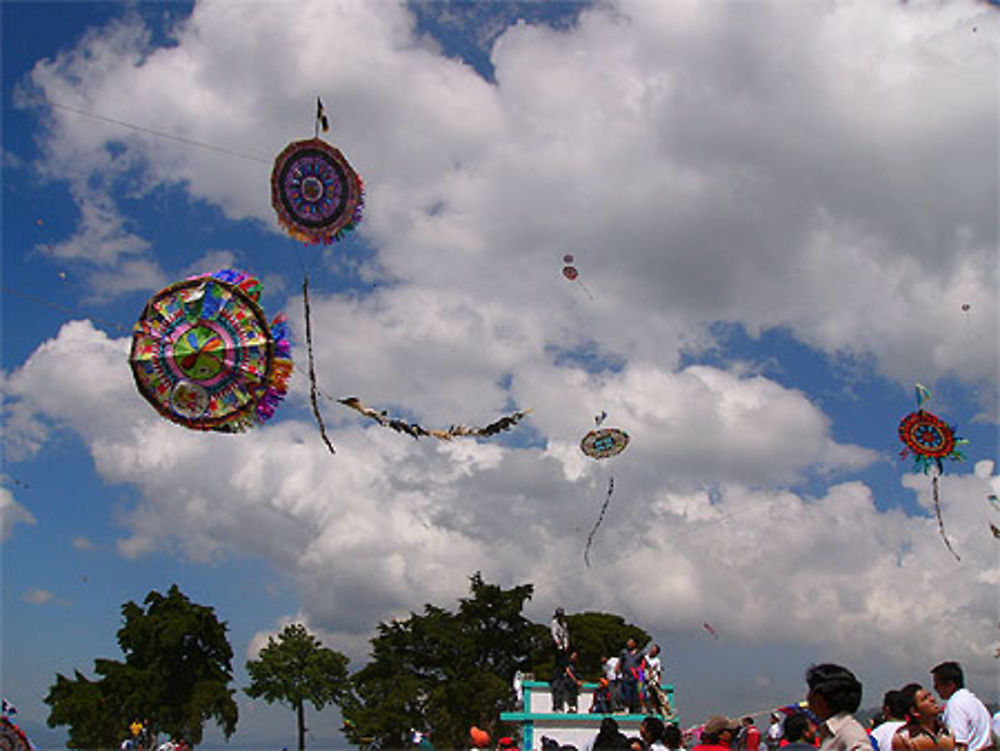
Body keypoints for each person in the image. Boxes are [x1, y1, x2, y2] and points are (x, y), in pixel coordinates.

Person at [805, 663, 873, 751]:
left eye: (811, 691)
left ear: (820, 698)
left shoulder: (849, 733)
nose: (808, 697)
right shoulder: (830, 732)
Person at [930, 662, 994, 751]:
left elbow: (959, 744)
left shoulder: (955, 705)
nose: (935, 688)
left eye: (937, 685)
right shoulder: (975, 702)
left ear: (950, 685)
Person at [892, 684, 954, 751]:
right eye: (925, 699)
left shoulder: (947, 733)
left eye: (930, 695)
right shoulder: (904, 738)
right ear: (914, 711)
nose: (932, 699)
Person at [619, 638, 644, 714]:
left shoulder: (640, 654)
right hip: (626, 676)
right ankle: (626, 708)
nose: (628, 644)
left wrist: (641, 676)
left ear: (634, 644)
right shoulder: (624, 652)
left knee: (637, 693)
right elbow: (621, 662)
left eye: (630, 642)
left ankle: (638, 709)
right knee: (626, 693)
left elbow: (644, 664)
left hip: (636, 677)